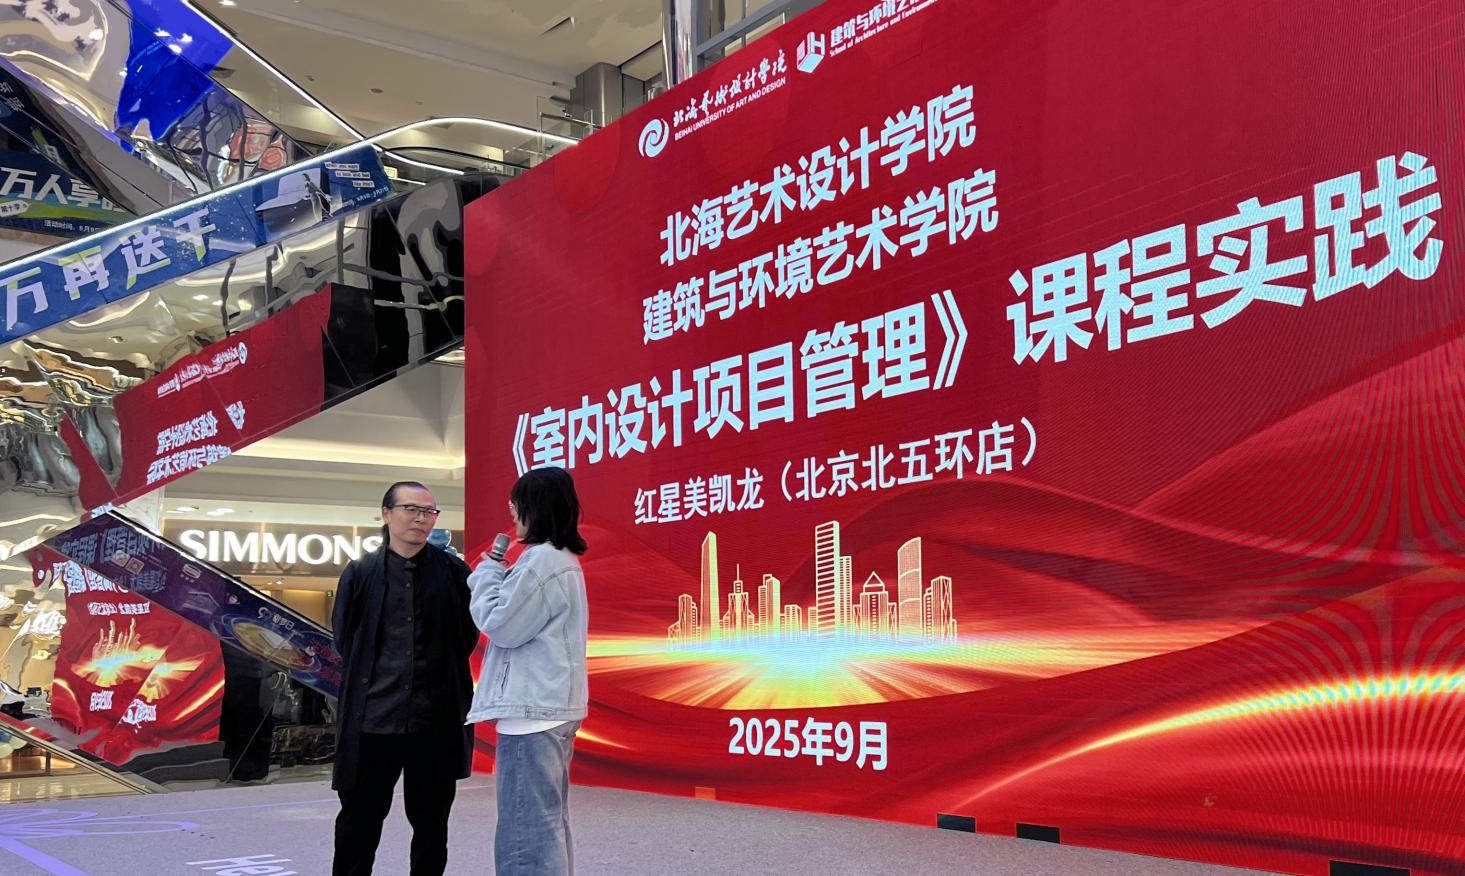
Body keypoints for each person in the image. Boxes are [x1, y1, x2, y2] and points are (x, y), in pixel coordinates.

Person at [331, 482, 478, 876]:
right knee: (358, 825)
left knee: (432, 826)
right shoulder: (360, 573)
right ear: (386, 513)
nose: (420, 519)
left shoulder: (454, 573)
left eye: (429, 512)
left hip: (434, 722)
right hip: (373, 721)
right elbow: (345, 639)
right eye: (411, 509)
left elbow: (465, 638)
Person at [468, 466, 589, 875]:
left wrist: (487, 574)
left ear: (533, 508)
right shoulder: (560, 559)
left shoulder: (542, 560)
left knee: (525, 830)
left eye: (515, 504)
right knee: (545, 820)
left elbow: (500, 623)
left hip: (532, 711)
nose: (512, 513)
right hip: (549, 706)